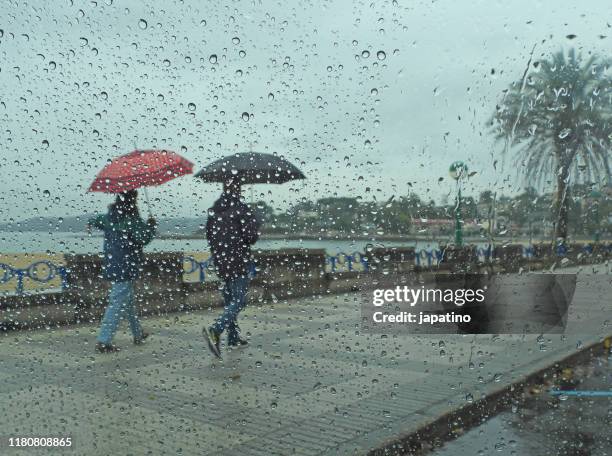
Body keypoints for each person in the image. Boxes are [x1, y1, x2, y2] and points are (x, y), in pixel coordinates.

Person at [88, 189, 157, 353]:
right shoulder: (132, 220)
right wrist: (151, 226)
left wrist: (91, 222)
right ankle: (104, 341)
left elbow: (96, 220)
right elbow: (143, 238)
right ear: (132, 200)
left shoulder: (109, 217)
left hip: (112, 263)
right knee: (117, 301)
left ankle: (138, 333)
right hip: (127, 266)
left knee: (128, 301)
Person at [203, 180, 261, 359]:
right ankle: (215, 330)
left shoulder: (214, 209)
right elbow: (250, 238)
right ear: (239, 189)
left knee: (230, 302)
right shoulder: (241, 209)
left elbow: (209, 235)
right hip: (238, 261)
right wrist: (255, 223)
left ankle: (233, 338)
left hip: (221, 262)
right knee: (239, 301)